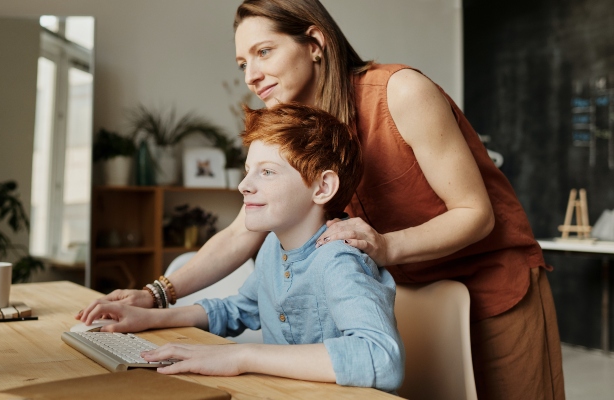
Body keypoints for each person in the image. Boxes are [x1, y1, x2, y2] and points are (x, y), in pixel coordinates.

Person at [78, 1, 564, 399]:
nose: (252, 74)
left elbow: (475, 215)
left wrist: (384, 247)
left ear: (314, 43)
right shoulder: (305, 131)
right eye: (243, 63)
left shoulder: (401, 92)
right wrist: (156, 295)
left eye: (264, 51)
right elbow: (242, 230)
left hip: (495, 286)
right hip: (408, 293)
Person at [79, 103, 405, 391]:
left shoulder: (338, 260)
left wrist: (241, 356)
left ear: (322, 187)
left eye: (266, 172)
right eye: (249, 170)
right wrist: (148, 317)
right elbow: (239, 309)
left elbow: (381, 357)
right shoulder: (272, 249)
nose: (244, 185)